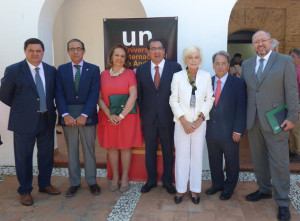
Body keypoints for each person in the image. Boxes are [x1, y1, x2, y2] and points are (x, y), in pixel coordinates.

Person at [241, 30, 299, 221]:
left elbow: (291, 90)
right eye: (256, 42)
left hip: (276, 119)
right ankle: (264, 189)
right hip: (253, 119)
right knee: (258, 158)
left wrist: (292, 117)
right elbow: (247, 93)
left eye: (263, 41)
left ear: (270, 42)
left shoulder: (284, 61)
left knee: (280, 161)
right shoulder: (247, 64)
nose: (260, 45)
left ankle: (283, 202)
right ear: (253, 45)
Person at [0, 38, 60, 206]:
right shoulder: (13, 70)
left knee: (46, 155)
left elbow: (54, 93)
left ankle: (45, 184)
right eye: (31, 51)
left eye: (38, 51)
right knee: (24, 158)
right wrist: (23, 109)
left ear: (43, 52)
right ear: (25, 51)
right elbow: (4, 94)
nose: (35, 54)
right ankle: (25, 190)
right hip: (23, 122)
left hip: (46, 120)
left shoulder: (50, 70)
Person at [169, 45, 214, 204]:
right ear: (185, 60)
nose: (193, 60)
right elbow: (173, 99)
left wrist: (199, 120)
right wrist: (183, 120)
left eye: (196, 57)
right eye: (190, 57)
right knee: (181, 157)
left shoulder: (206, 76)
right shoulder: (178, 76)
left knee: (196, 156)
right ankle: (180, 190)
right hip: (182, 123)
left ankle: (195, 189)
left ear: (200, 59)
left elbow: (210, 99)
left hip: (200, 123)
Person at [56, 39, 100, 197]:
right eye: (72, 49)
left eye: (78, 48)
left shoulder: (93, 69)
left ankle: (92, 181)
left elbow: (94, 93)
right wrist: (65, 115)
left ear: (84, 51)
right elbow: (58, 93)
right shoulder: (61, 70)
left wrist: (84, 114)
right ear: (68, 51)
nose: (75, 52)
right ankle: (74, 183)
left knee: (89, 150)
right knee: (72, 150)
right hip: (68, 115)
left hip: (87, 115)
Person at [137, 38, 182, 194]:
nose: (156, 51)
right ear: (148, 52)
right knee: (150, 150)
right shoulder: (141, 69)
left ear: (164, 51)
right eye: (153, 48)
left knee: (168, 150)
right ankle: (151, 180)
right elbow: (140, 95)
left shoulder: (175, 68)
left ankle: (168, 181)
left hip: (169, 117)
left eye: (159, 48)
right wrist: (142, 116)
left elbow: (180, 94)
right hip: (149, 118)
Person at [98, 44, 143, 192]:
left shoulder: (130, 73)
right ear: (111, 57)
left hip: (127, 117)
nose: (119, 58)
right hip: (108, 116)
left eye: (122, 56)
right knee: (112, 147)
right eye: (117, 55)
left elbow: (134, 95)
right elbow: (99, 97)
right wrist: (109, 114)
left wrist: (121, 116)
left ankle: (124, 177)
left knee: (125, 147)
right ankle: (115, 177)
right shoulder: (103, 75)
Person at [205, 51, 247, 200]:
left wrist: (238, 130)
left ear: (228, 65)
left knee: (231, 161)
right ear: (213, 65)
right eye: (217, 63)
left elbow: (241, 108)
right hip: (211, 131)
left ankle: (229, 187)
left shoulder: (238, 83)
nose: (220, 66)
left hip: (230, 131)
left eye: (223, 63)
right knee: (214, 160)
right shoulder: (207, 82)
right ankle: (217, 184)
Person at [289, 48, 300, 162]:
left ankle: (298, 152)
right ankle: (292, 150)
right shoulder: (293, 69)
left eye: (293, 56)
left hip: (297, 105)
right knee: (291, 129)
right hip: (291, 105)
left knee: (296, 130)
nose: (291, 59)